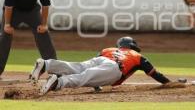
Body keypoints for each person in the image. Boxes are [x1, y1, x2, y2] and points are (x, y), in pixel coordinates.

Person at [30, 37, 180, 95]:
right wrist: (169, 83)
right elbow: (155, 74)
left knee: (78, 67)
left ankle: (46, 64)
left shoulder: (109, 49)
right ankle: (58, 81)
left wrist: (97, 85)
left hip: (103, 60)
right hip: (115, 68)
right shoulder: (138, 56)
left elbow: (94, 69)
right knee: (84, 77)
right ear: (132, 46)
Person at [0, 0, 57, 77]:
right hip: (14, 11)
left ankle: (55, 70)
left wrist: (44, 24)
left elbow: (45, 5)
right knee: (4, 36)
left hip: (32, 11)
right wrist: (7, 25)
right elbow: (8, 6)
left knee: (44, 34)